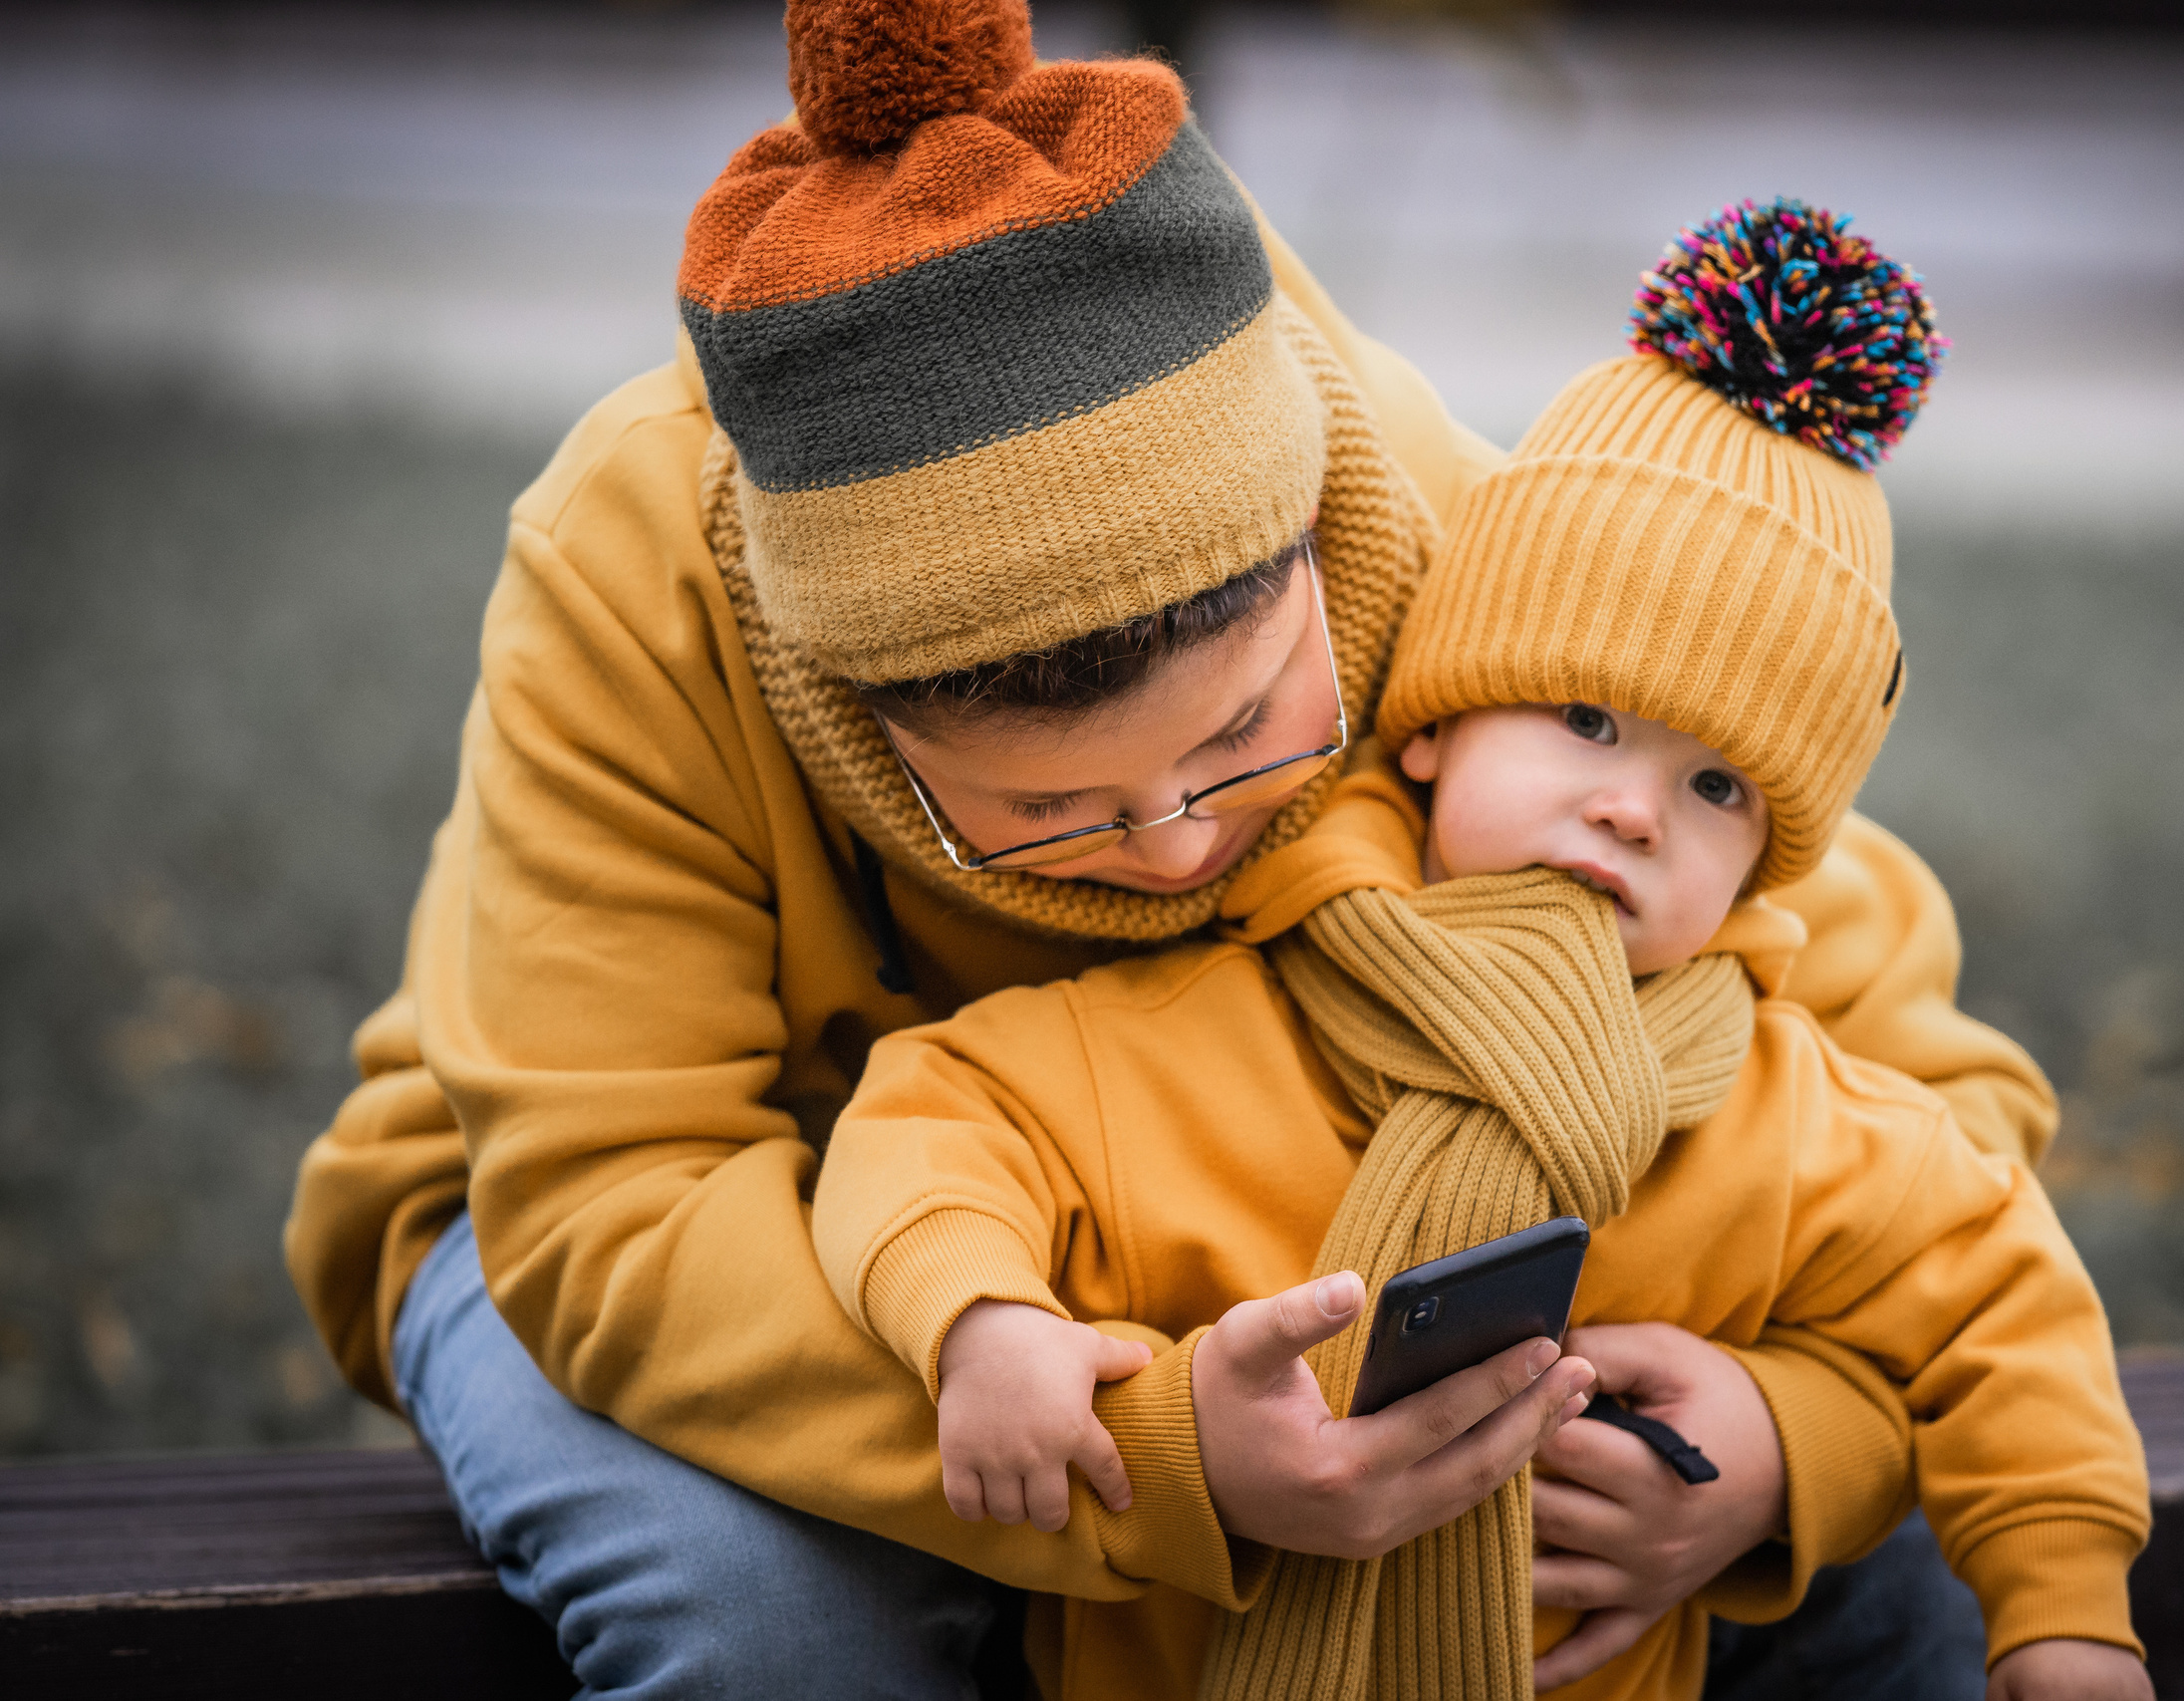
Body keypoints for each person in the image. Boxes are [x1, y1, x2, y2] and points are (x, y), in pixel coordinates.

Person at [282, 4, 2059, 1695]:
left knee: (1881, 1563)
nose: (1181, 847)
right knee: (769, 1628)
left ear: (1318, 556)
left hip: (1206, 1261)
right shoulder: (633, 579)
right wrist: (1150, 1458)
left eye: (1250, 730)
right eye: (1043, 807)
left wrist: (1794, 1439)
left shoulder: (1452, 537)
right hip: (661, 1243)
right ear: (847, 705)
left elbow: (1909, 1075)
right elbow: (612, 1195)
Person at [811, 199, 2152, 1701]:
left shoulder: (1788, 1119)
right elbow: (933, 1122)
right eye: (1585, 719)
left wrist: (2065, 1612)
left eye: (1719, 788)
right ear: (1434, 728)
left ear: (1760, 872)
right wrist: (982, 1321)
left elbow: (2004, 1302)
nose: (1635, 808)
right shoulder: (1203, 1028)